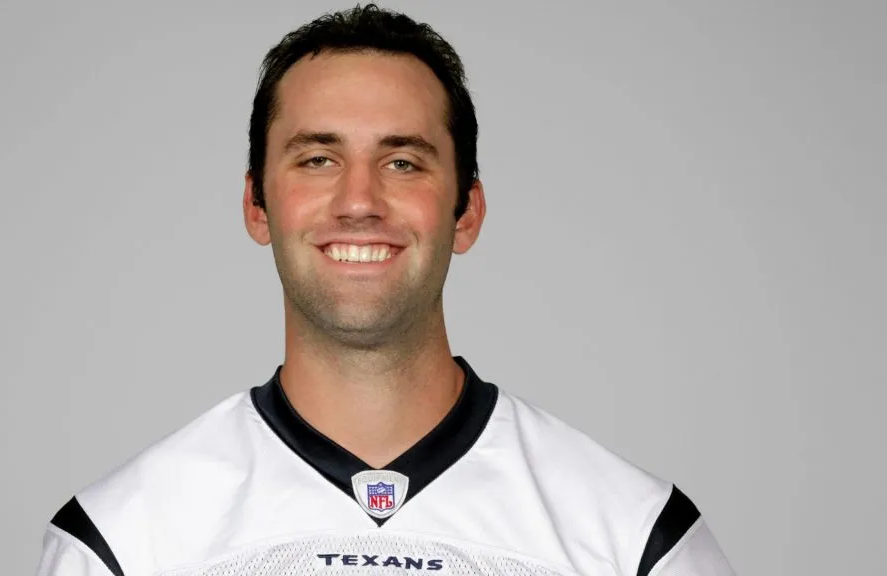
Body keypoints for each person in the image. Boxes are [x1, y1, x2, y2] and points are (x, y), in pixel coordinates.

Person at [36, 4, 736, 575]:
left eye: (403, 161)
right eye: (318, 158)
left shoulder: (638, 540)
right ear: (257, 206)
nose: (359, 199)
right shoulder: (123, 542)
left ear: (467, 212)